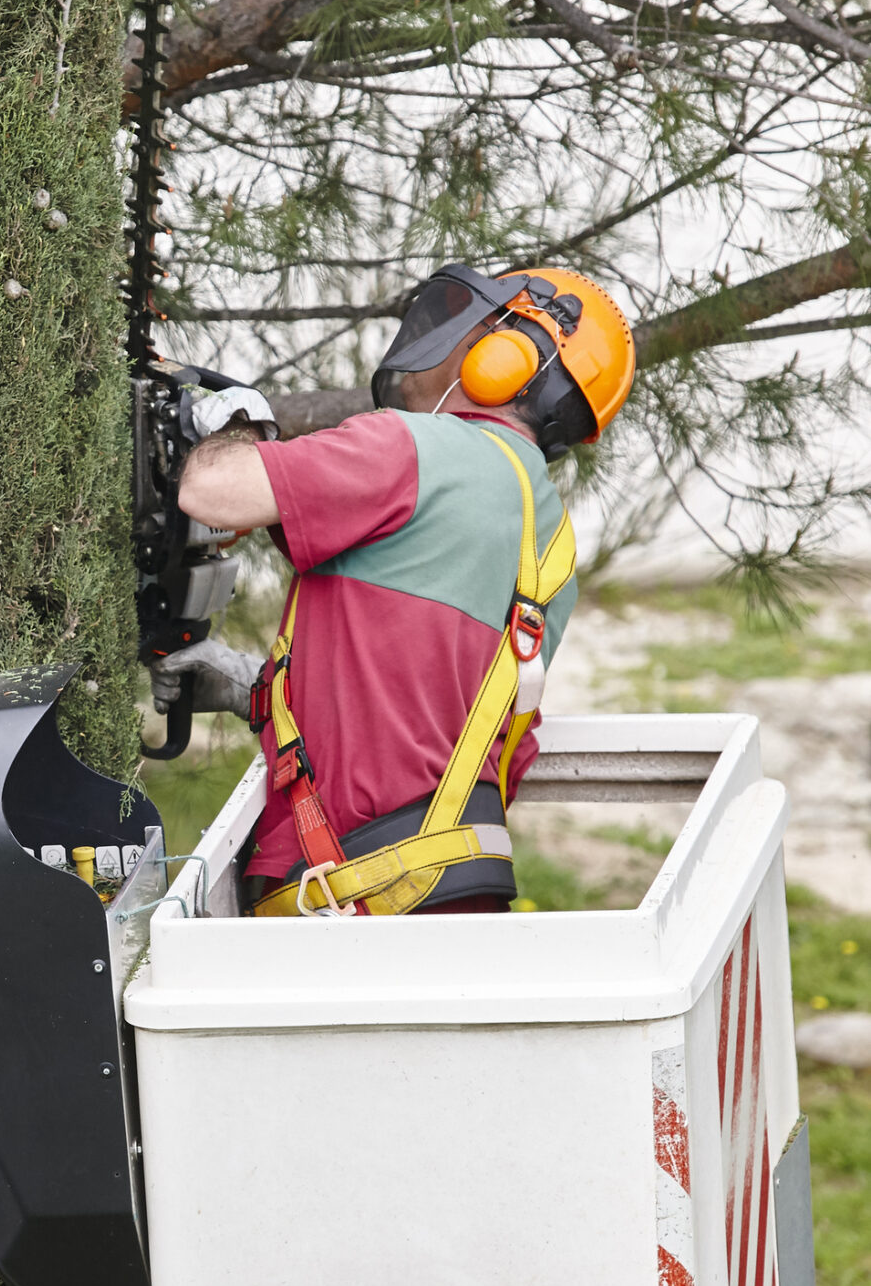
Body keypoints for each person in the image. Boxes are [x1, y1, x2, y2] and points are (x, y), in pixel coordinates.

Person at [154, 262, 636, 918]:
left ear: (509, 356)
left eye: (476, 324)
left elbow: (209, 492)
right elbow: (427, 708)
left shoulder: (414, 450)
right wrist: (259, 692)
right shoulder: (550, 543)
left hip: (352, 901)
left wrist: (237, 428)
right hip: (463, 891)